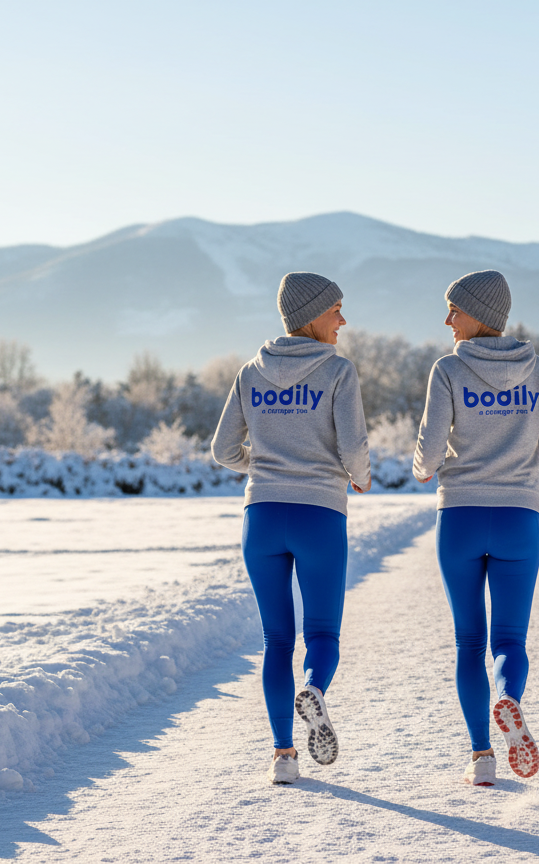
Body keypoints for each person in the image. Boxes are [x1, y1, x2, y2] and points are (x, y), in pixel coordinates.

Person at [412, 269, 539, 786]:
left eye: (454, 310)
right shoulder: (538, 369)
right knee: (509, 638)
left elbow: (430, 455)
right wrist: (523, 470)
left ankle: (482, 758)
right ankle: (509, 697)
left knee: (468, 642)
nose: (447, 320)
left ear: (479, 314)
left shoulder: (448, 370)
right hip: (519, 517)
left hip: (459, 514)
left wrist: (423, 469)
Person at [212, 272, 371, 786]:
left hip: (261, 517)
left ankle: (283, 755)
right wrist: (360, 478)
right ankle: (315, 688)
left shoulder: (249, 372)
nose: (343, 320)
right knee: (322, 633)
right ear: (311, 315)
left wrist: (263, 465)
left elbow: (222, 450)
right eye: (336, 310)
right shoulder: (338, 371)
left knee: (276, 639)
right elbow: (353, 447)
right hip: (319, 513)